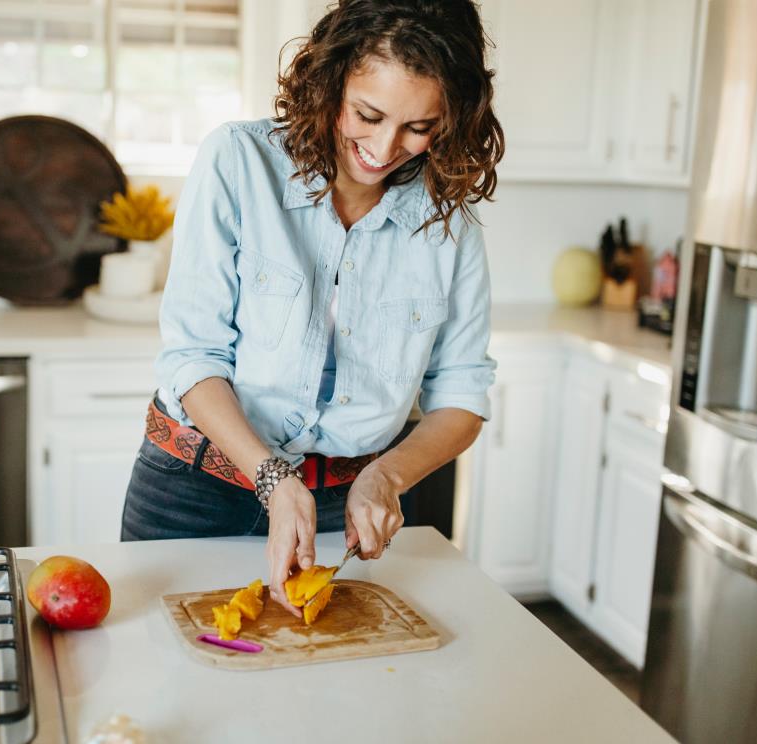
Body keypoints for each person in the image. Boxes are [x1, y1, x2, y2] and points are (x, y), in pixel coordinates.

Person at [122, 0, 504, 618]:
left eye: (419, 127)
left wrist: (387, 477)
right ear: (330, 83)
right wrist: (272, 479)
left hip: (340, 508)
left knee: (322, 694)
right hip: (194, 491)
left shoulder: (449, 225)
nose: (384, 148)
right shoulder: (238, 162)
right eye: (368, 114)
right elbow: (193, 357)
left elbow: (462, 394)